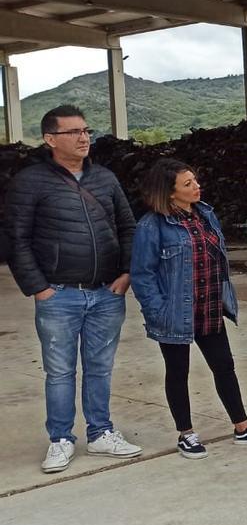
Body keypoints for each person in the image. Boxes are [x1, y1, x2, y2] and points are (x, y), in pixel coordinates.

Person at [5, 105, 143, 473]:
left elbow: (129, 228)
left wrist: (126, 273)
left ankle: (100, 433)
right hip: (59, 295)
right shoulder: (31, 181)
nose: (84, 138)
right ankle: (61, 439)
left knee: (99, 368)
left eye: (86, 130)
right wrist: (39, 289)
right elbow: (16, 240)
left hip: (105, 294)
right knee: (60, 371)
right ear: (50, 139)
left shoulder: (106, 179)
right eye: (74, 132)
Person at [130, 159, 247, 459]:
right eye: (188, 184)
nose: (197, 186)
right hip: (175, 312)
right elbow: (142, 274)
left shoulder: (205, 215)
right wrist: (157, 310)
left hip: (209, 306)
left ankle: (243, 426)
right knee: (178, 372)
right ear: (170, 193)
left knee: (224, 366)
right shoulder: (151, 226)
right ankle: (186, 433)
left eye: (195, 180)